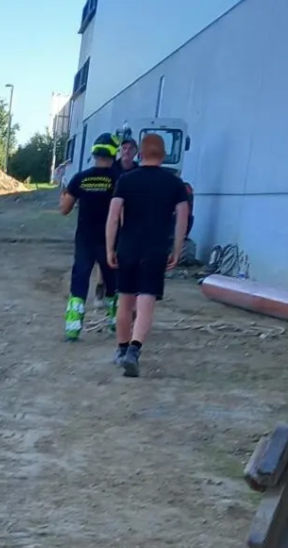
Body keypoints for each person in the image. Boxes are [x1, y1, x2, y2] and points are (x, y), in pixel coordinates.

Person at [106, 132, 191, 377]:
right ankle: (134, 350)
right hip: (155, 250)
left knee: (124, 303)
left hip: (128, 248)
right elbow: (181, 220)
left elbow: (113, 218)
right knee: (145, 305)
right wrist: (176, 249)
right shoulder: (175, 184)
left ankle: (121, 350)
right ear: (163, 156)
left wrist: (110, 248)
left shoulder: (126, 180)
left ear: (140, 154)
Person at [59, 134, 121, 340]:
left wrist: (64, 195)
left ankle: (72, 328)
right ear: (114, 153)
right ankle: (116, 325)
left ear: (94, 153)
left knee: (79, 282)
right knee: (113, 283)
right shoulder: (119, 179)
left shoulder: (80, 178)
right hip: (110, 240)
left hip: (85, 239)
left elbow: (64, 209)